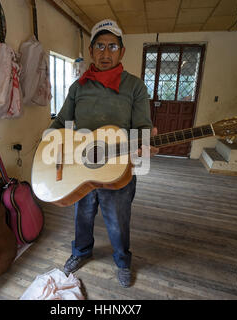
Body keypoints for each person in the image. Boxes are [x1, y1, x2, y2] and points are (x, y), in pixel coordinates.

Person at [49, 19, 159, 288]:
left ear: (121, 52)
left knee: (118, 221)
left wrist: (146, 144)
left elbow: (144, 127)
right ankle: (81, 251)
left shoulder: (134, 87)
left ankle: (122, 261)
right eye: (100, 45)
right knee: (82, 216)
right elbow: (60, 122)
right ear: (91, 50)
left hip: (118, 168)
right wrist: (50, 146)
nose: (105, 53)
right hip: (81, 168)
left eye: (112, 46)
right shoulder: (78, 87)